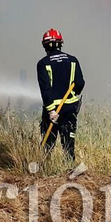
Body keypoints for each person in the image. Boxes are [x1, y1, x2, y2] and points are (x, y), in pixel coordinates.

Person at [37, 28, 85, 162]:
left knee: (48, 143)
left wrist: (51, 111)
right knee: (69, 142)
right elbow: (80, 83)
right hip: (70, 109)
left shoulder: (43, 63)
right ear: (60, 43)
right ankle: (69, 169)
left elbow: (45, 89)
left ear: (45, 45)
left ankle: (45, 168)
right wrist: (72, 97)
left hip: (53, 110)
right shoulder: (73, 60)